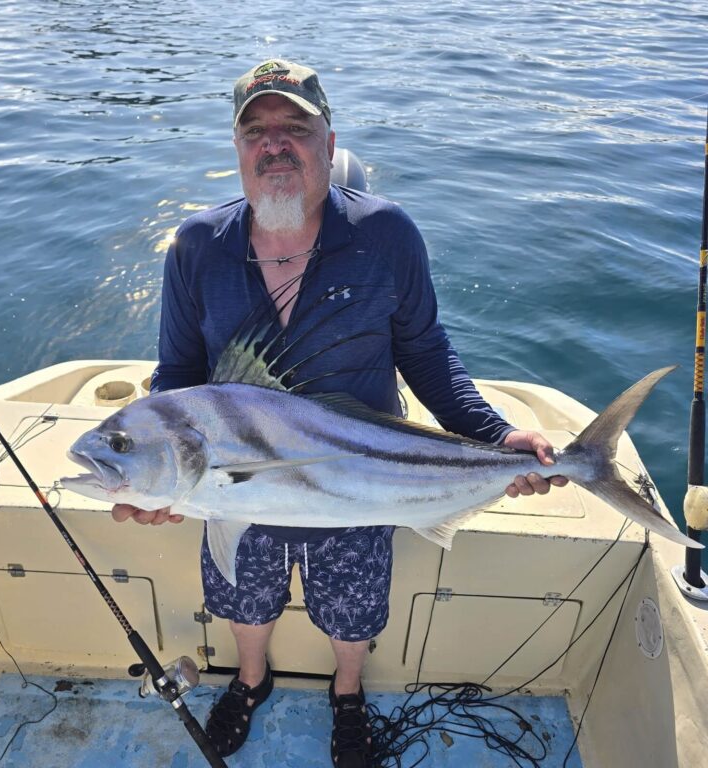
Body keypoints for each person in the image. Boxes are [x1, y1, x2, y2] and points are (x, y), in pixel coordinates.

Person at [111, 59, 567, 768]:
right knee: (242, 598)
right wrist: (154, 482)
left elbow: (427, 358)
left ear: (329, 141)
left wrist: (498, 437)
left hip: (362, 475)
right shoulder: (197, 248)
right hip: (232, 484)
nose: (275, 144)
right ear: (237, 148)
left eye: (295, 127)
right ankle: (252, 681)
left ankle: (347, 691)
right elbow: (178, 383)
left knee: (352, 611)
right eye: (256, 131)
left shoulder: (386, 236)